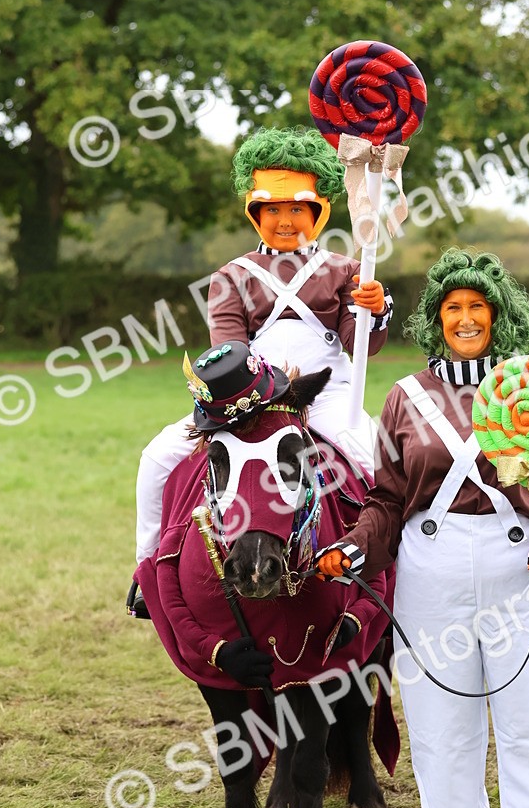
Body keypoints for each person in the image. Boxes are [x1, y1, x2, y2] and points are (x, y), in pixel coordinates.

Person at [315, 248, 529, 808]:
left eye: (478, 307)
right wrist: (354, 547)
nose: (465, 318)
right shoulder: (403, 398)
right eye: (452, 308)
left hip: (519, 567)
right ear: (435, 318)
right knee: (443, 731)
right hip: (430, 572)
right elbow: (386, 499)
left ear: (500, 316)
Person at [134, 127, 391, 565]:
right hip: (249, 399)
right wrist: (267, 398)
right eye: (272, 209)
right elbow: (229, 356)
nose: (285, 220)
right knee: (157, 456)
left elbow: (362, 344)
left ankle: (386, 565)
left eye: (297, 208)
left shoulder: (348, 270)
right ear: (254, 212)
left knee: (376, 463)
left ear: (320, 210)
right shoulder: (230, 276)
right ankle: (148, 564)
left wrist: (375, 309)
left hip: (327, 397)